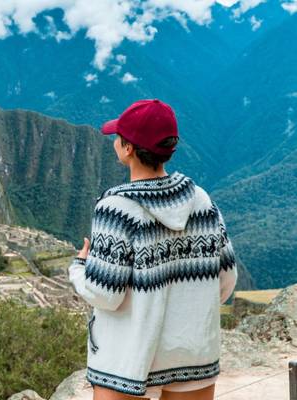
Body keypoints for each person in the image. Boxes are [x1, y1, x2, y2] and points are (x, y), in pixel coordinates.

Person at [67, 99, 239, 400]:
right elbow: (226, 279)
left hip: (128, 360)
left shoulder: (117, 210)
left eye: (119, 136)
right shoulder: (201, 201)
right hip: (192, 355)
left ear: (128, 148)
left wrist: (79, 268)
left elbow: (106, 294)